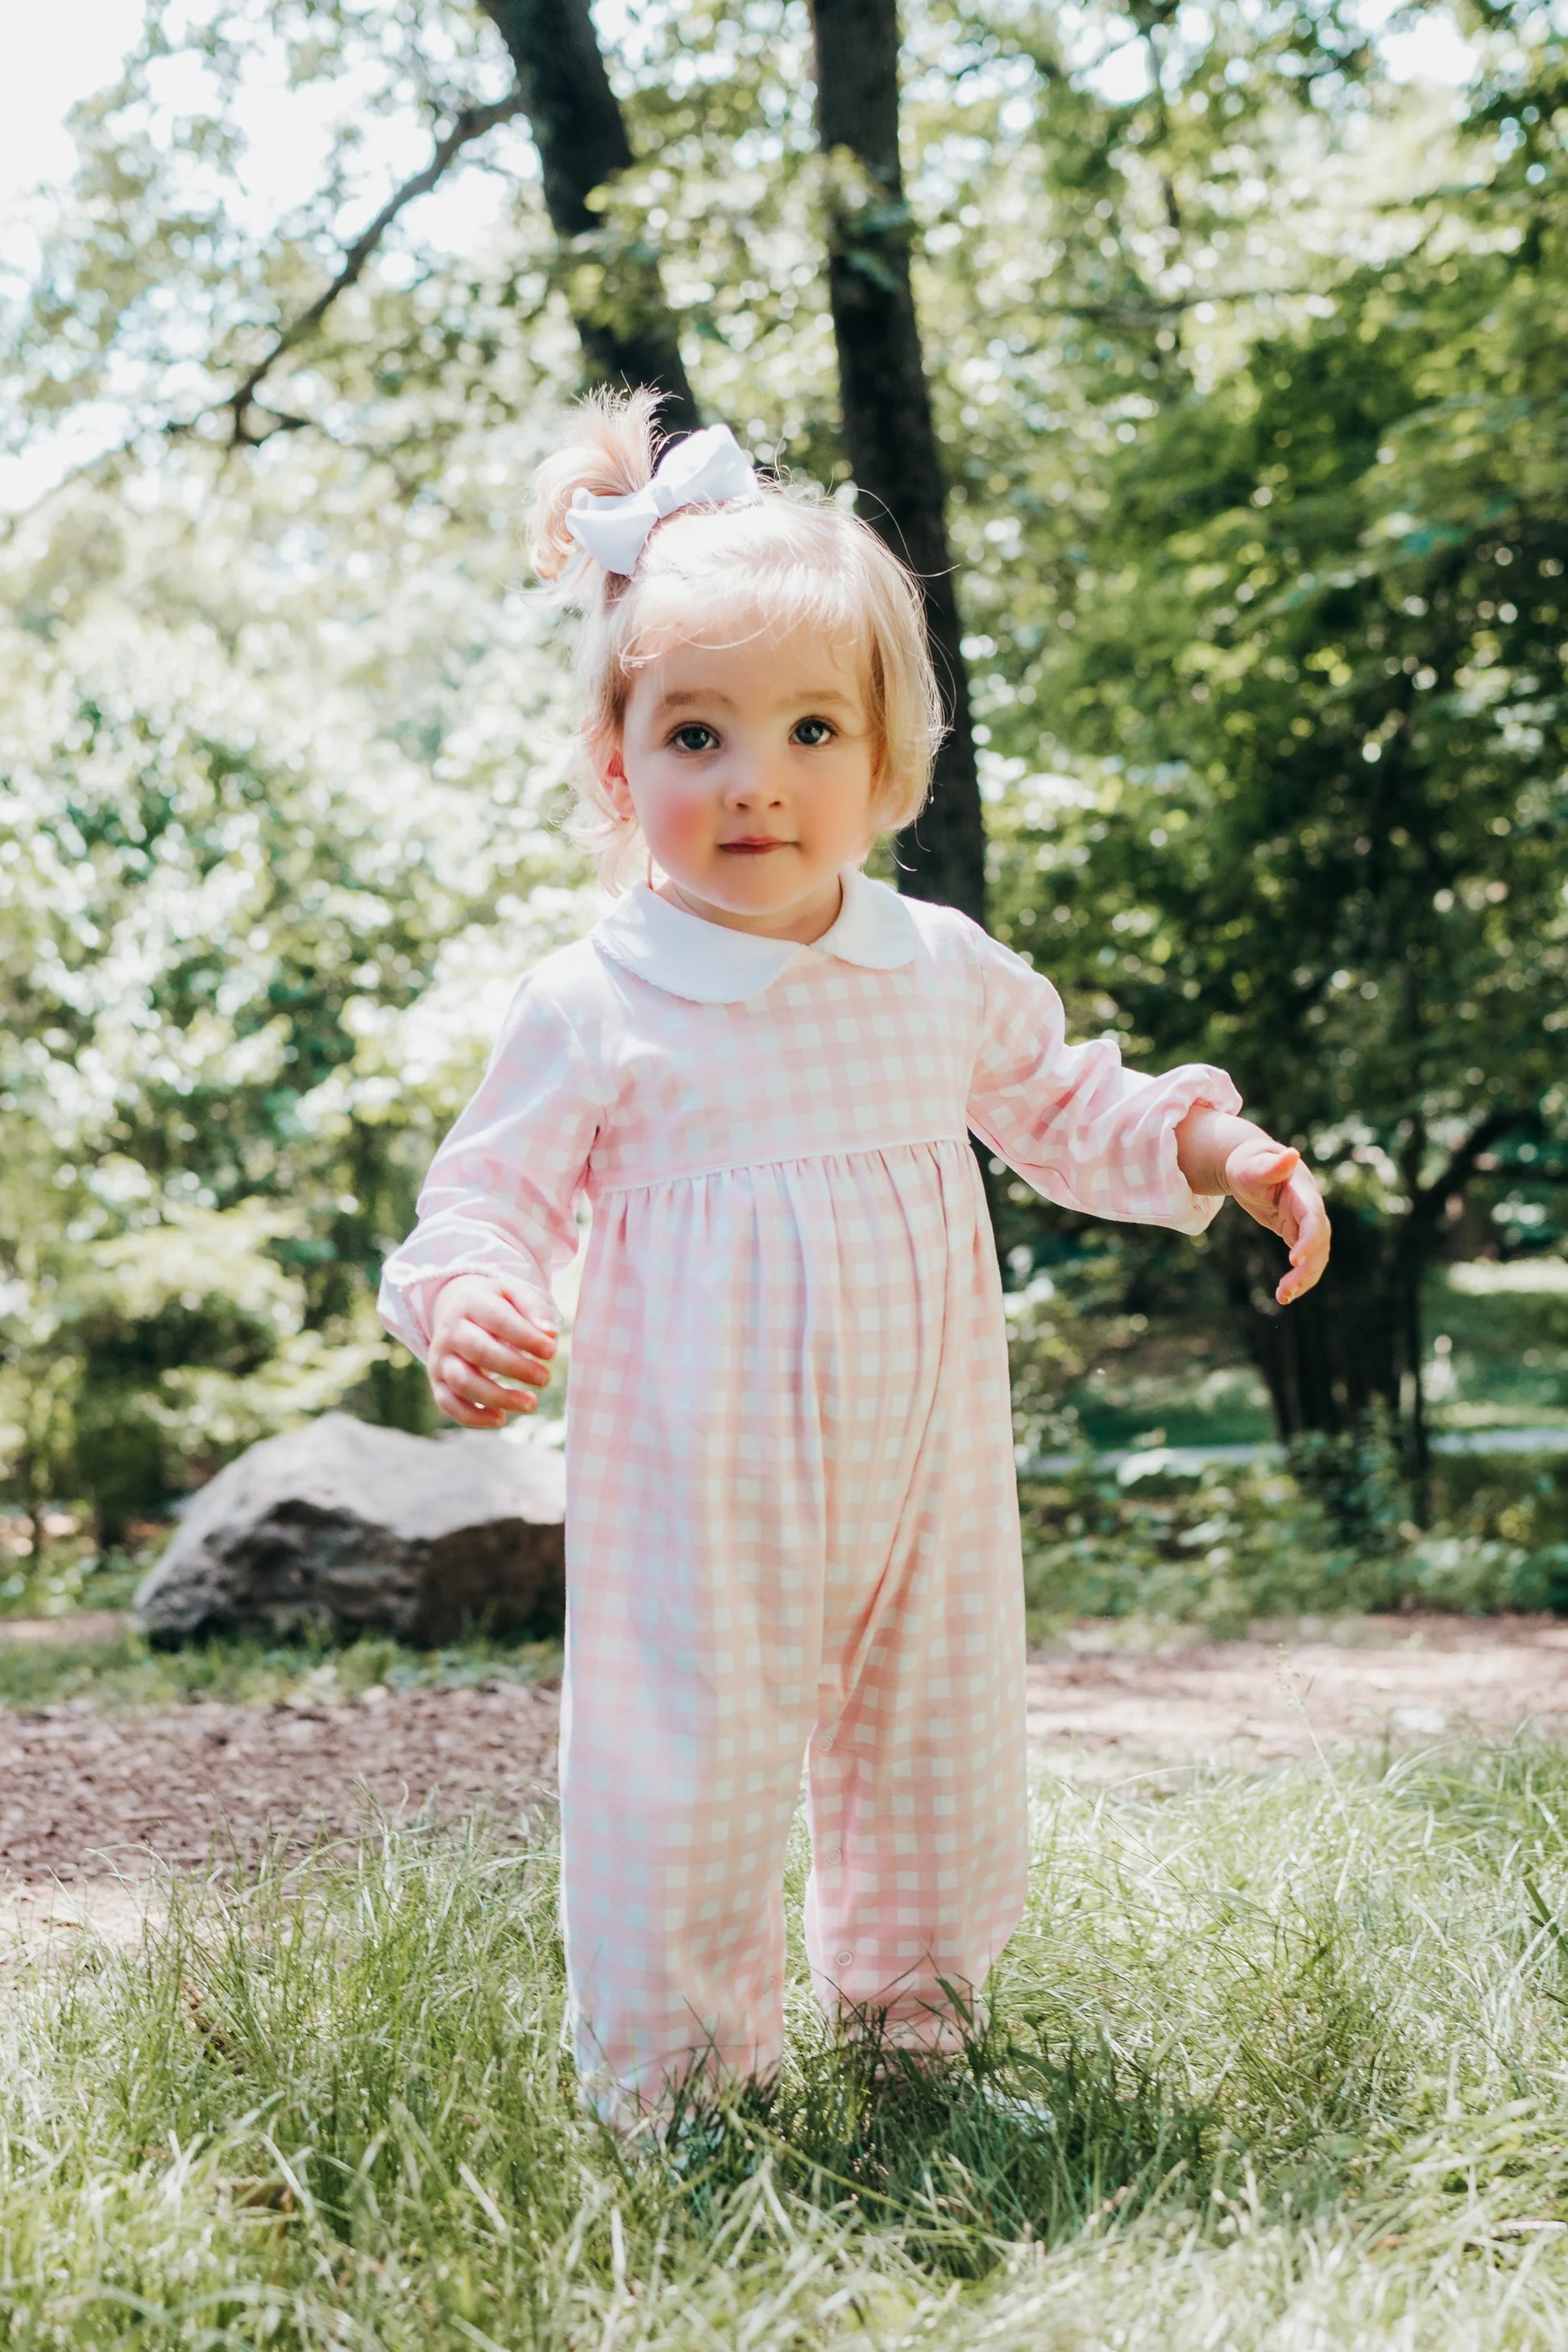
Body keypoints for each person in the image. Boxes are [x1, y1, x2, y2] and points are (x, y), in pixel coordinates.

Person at [377, 392, 1330, 2127]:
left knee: (936, 1744)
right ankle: (681, 2099)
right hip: (699, 1490)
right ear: (618, 768)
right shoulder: (596, 1003)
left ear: (888, 758)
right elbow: (485, 1199)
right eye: (696, 734)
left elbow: (1065, 1100)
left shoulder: (933, 967)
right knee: (686, 1772)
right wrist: (470, 1298)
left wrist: (1215, 1148)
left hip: (923, 1465)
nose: (756, 776)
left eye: (811, 726)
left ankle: (918, 2048)